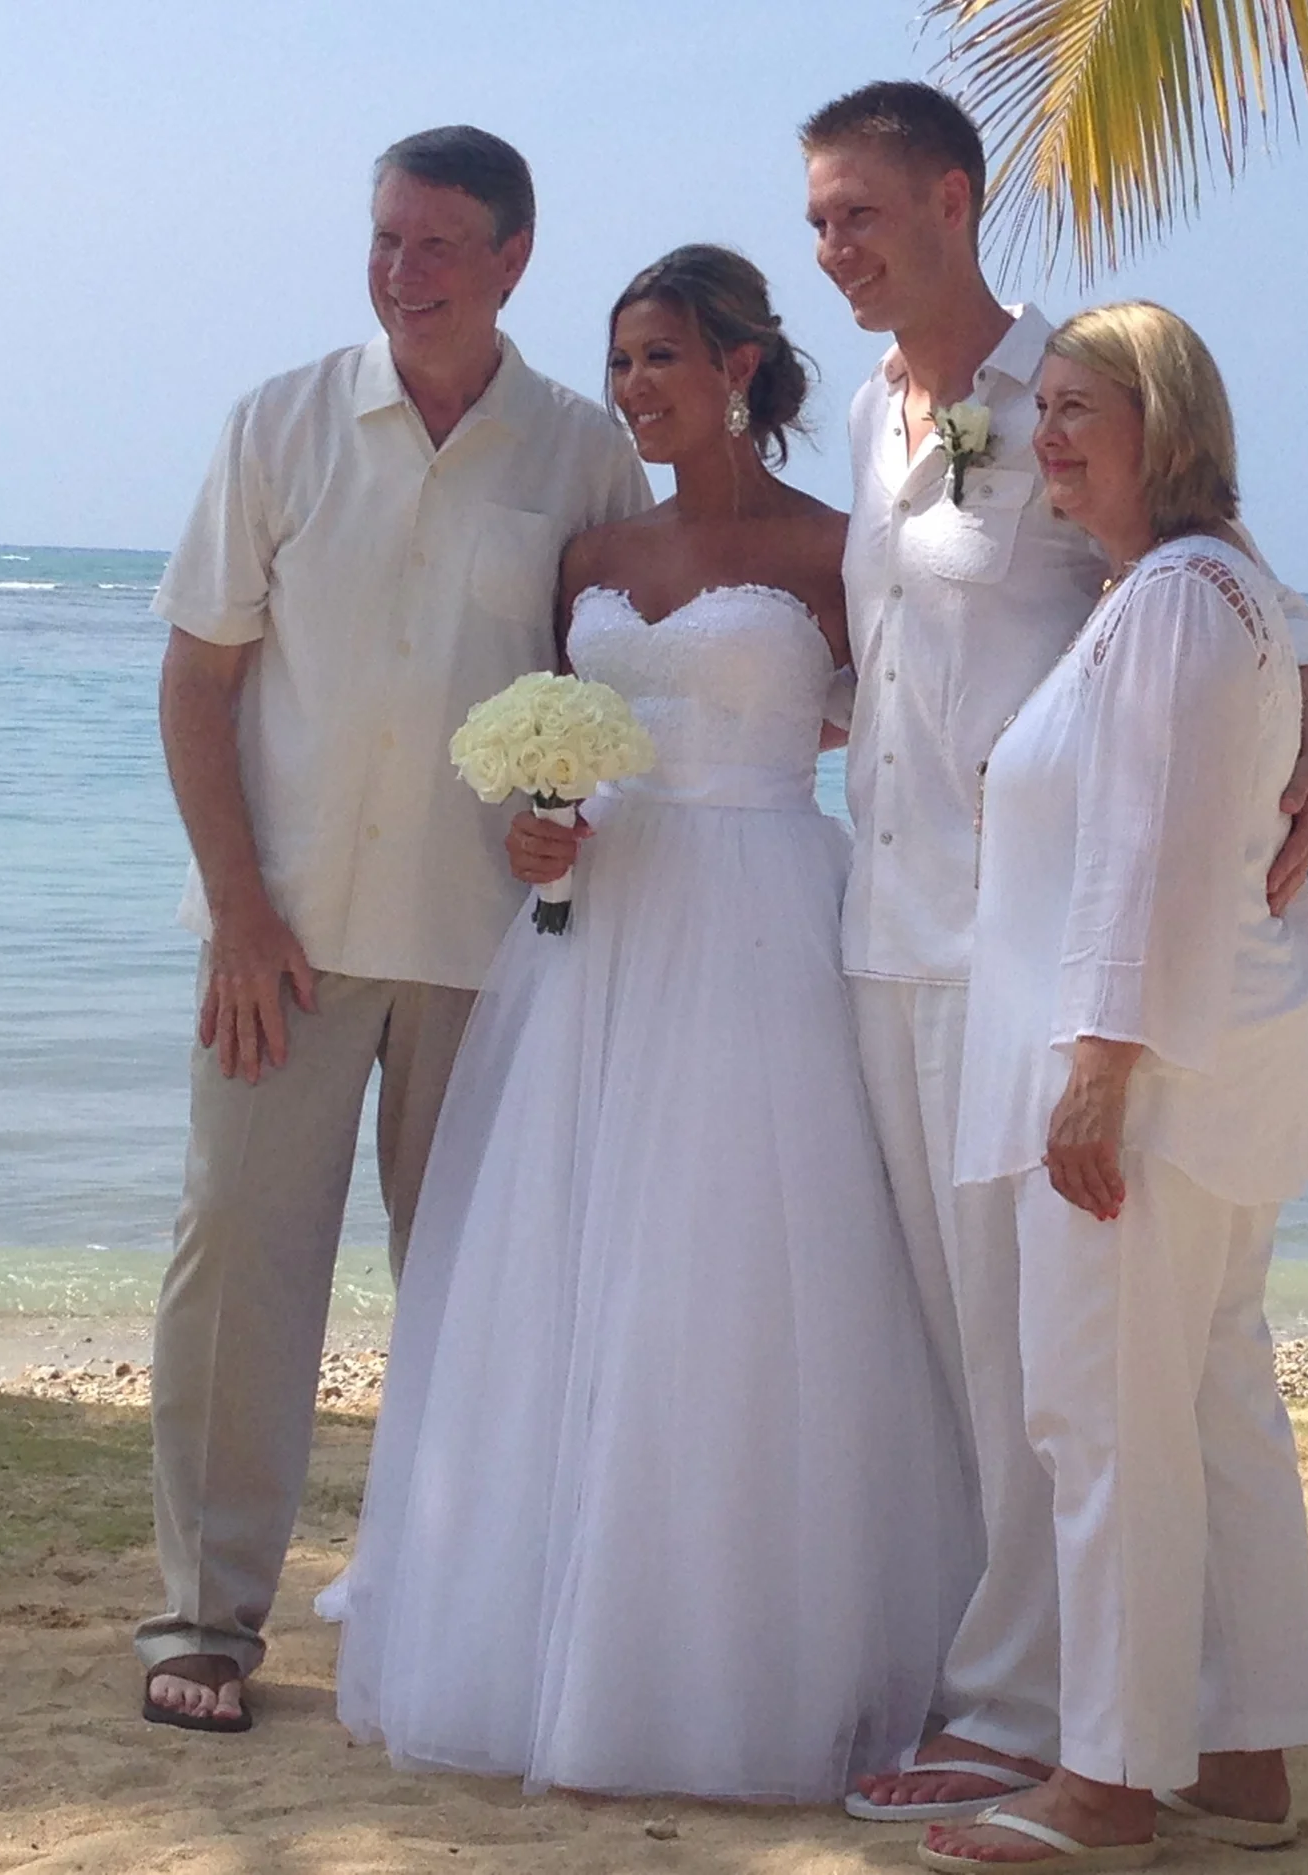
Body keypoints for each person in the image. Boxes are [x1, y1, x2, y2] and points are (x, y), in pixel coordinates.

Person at [318, 246, 972, 1800]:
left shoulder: (837, 550)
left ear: (740, 366)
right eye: (619, 363)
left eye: (662, 358)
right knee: (563, 1264)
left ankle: (745, 1649)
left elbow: (912, 741)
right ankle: (544, 1627)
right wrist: (537, 830)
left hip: (759, 922)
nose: (634, 389)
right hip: (591, 939)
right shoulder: (589, 552)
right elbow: (562, 750)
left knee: (733, 1275)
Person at [801, 84, 1308, 1822]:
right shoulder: (881, 422)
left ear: (955, 201)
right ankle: (1139, 1698)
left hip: (1018, 955)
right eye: (817, 220)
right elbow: (888, 653)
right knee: (991, 1349)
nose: (836, 250)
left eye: (862, 214)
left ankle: (1031, 1706)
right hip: (882, 922)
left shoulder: (1070, 388)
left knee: (1053, 1361)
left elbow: (1221, 569)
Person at [137, 127, 650, 1733]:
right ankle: (209, 1617)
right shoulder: (279, 424)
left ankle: (458, 1609)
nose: (402, 271)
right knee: (236, 1266)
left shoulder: (579, 455)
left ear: (513, 260)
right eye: (384, 239)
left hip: (491, 949)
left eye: (438, 245)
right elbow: (197, 680)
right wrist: (234, 908)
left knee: (475, 1291)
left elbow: (617, 692)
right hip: (281, 940)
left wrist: (580, 830)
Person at [924, 304, 1308, 1871]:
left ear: (1170, 419)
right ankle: (1240, 1743)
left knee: (1100, 1418)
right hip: (1218, 1070)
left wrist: (1095, 1066)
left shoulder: (1172, 595)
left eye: (1087, 407)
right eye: (1050, 412)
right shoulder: (1215, 586)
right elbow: (1282, 650)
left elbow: (1142, 850)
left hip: (1143, 1081)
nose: (1057, 436)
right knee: (1213, 1403)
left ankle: (1103, 1781)